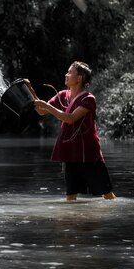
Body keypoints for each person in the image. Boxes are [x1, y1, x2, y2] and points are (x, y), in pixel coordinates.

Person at [29, 61, 116, 201]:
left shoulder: (88, 99)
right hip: (70, 152)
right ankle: (71, 220)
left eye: (70, 72)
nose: (66, 75)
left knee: (107, 194)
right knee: (70, 195)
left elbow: (70, 118)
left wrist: (47, 106)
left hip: (87, 154)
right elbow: (41, 111)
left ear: (80, 78)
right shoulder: (63, 95)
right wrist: (30, 90)